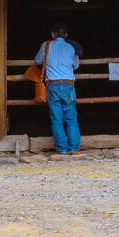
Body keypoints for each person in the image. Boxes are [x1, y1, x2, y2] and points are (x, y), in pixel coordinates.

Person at [36, 22, 81, 155]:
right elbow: (76, 66)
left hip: (53, 85)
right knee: (71, 117)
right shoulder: (72, 47)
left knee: (56, 118)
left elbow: (37, 61)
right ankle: (73, 148)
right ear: (66, 35)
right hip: (68, 84)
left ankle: (61, 150)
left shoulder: (46, 45)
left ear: (53, 34)